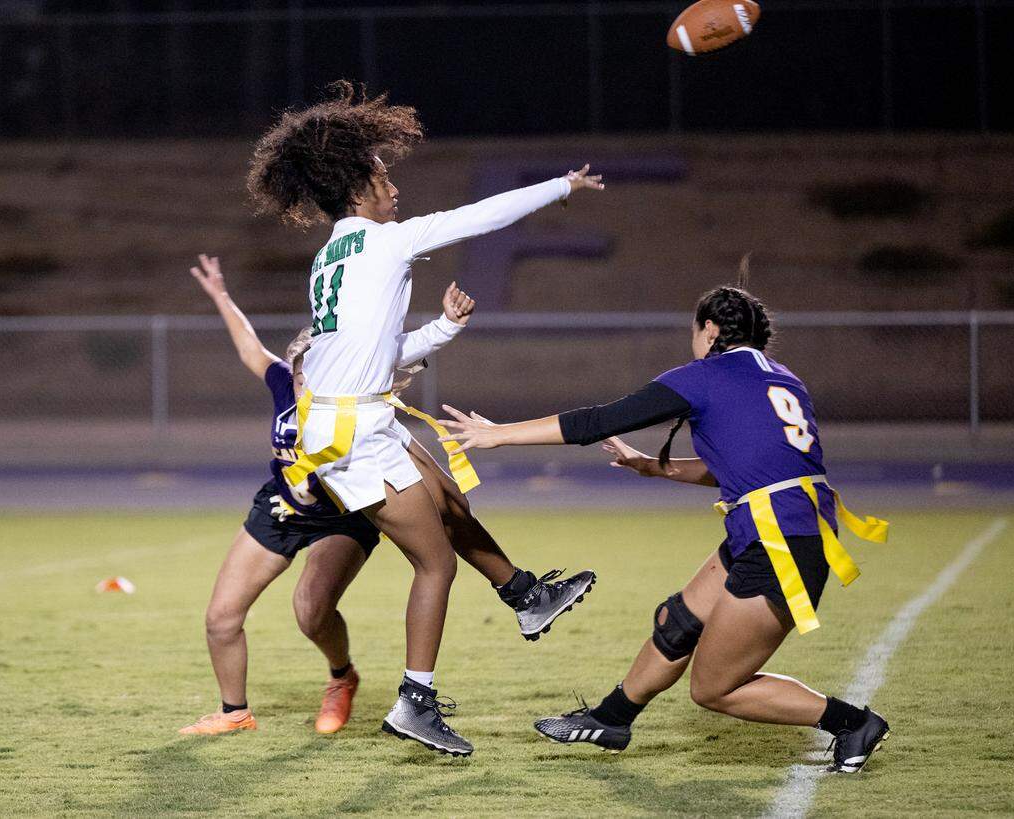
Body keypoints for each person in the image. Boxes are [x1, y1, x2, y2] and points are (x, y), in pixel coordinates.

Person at [246, 81, 604, 756]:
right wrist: (561, 185)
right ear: (357, 185)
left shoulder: (331, 256)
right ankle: (416, 701)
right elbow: (481, 216)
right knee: (434, 563)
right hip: (354, 433)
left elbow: (372, 353)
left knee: (448, 496)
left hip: (354, 420)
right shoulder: (385, 243)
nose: (393, 186)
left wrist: (442, 328)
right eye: (383, 174)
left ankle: (525, 594)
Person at [439, 285, 891, 773]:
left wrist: (497, 435)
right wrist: (657, 468)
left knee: (715, 687)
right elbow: (748, 465)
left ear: (711, 330)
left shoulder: (706, 376)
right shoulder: (783, 379)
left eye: (695, 331)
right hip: (782, 526)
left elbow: (599, 420)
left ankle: (854, 723)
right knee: (677, 621)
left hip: (778, 538)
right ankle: (611, 720)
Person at [180, 255, 596, 740]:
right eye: (303, 373)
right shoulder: (283, 385)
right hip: (285, 507)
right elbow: (250, 348)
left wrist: (436, 332)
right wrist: (222, 296)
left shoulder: (354, 404)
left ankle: (342, 678)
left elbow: (391, 369)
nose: (309, 381)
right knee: (221, 617)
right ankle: (235, 712)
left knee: (311, 609)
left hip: (347, 510)